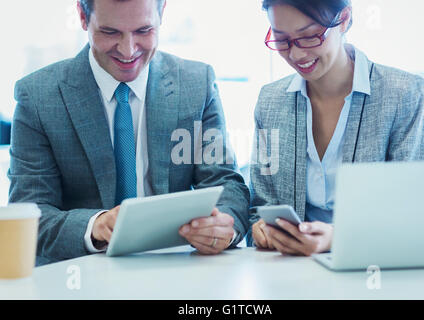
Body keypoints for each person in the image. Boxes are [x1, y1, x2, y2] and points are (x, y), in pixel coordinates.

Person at [8, 0, 249, 266]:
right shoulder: (39, 96)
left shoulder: (196, 83)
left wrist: (223, 227)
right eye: (110, 32)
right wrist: (95, 226)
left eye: (143, 31)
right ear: (82, 16)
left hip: (177, 268)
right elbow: (30, 214)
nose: (128, 49)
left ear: (162, 13)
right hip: (78, 275)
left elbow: (226, 184)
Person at [249, 0, 424, 255]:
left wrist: (339, 239)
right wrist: (260, 229)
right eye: (282, 40)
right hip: (289, 273)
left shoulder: (403, 94)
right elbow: (260, 205)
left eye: (309, 36)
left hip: (373, 269)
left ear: (344, 19)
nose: (296, 54)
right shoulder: (270, 101)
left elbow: (411, 213)